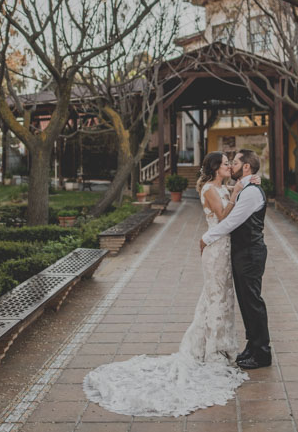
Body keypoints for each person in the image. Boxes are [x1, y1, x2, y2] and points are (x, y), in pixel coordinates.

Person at [83, 151, 254, 416]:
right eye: (224, 164)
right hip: (215, 249)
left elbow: (242, 186)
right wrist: (234, 195)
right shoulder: (210, 189)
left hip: (224, 247)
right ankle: (212, 350)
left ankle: (218, 345)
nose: (228, 167)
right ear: (214, 169)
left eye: (229, 164)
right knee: (215, 297)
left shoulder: (223, 186)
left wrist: (244, 184)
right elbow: (222, 217)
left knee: (220, 298)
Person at [200, 149, 271, 370]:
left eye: (235, 162)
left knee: (253, 303)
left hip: (250, 252)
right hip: (241, 252)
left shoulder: (250, 192)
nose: (231, 166)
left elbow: (231, 222)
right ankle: (253, 346)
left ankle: (262, 353)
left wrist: (206, 238)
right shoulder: (240, 187)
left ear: (246, 167)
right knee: (246, 303)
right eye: (227, 163)